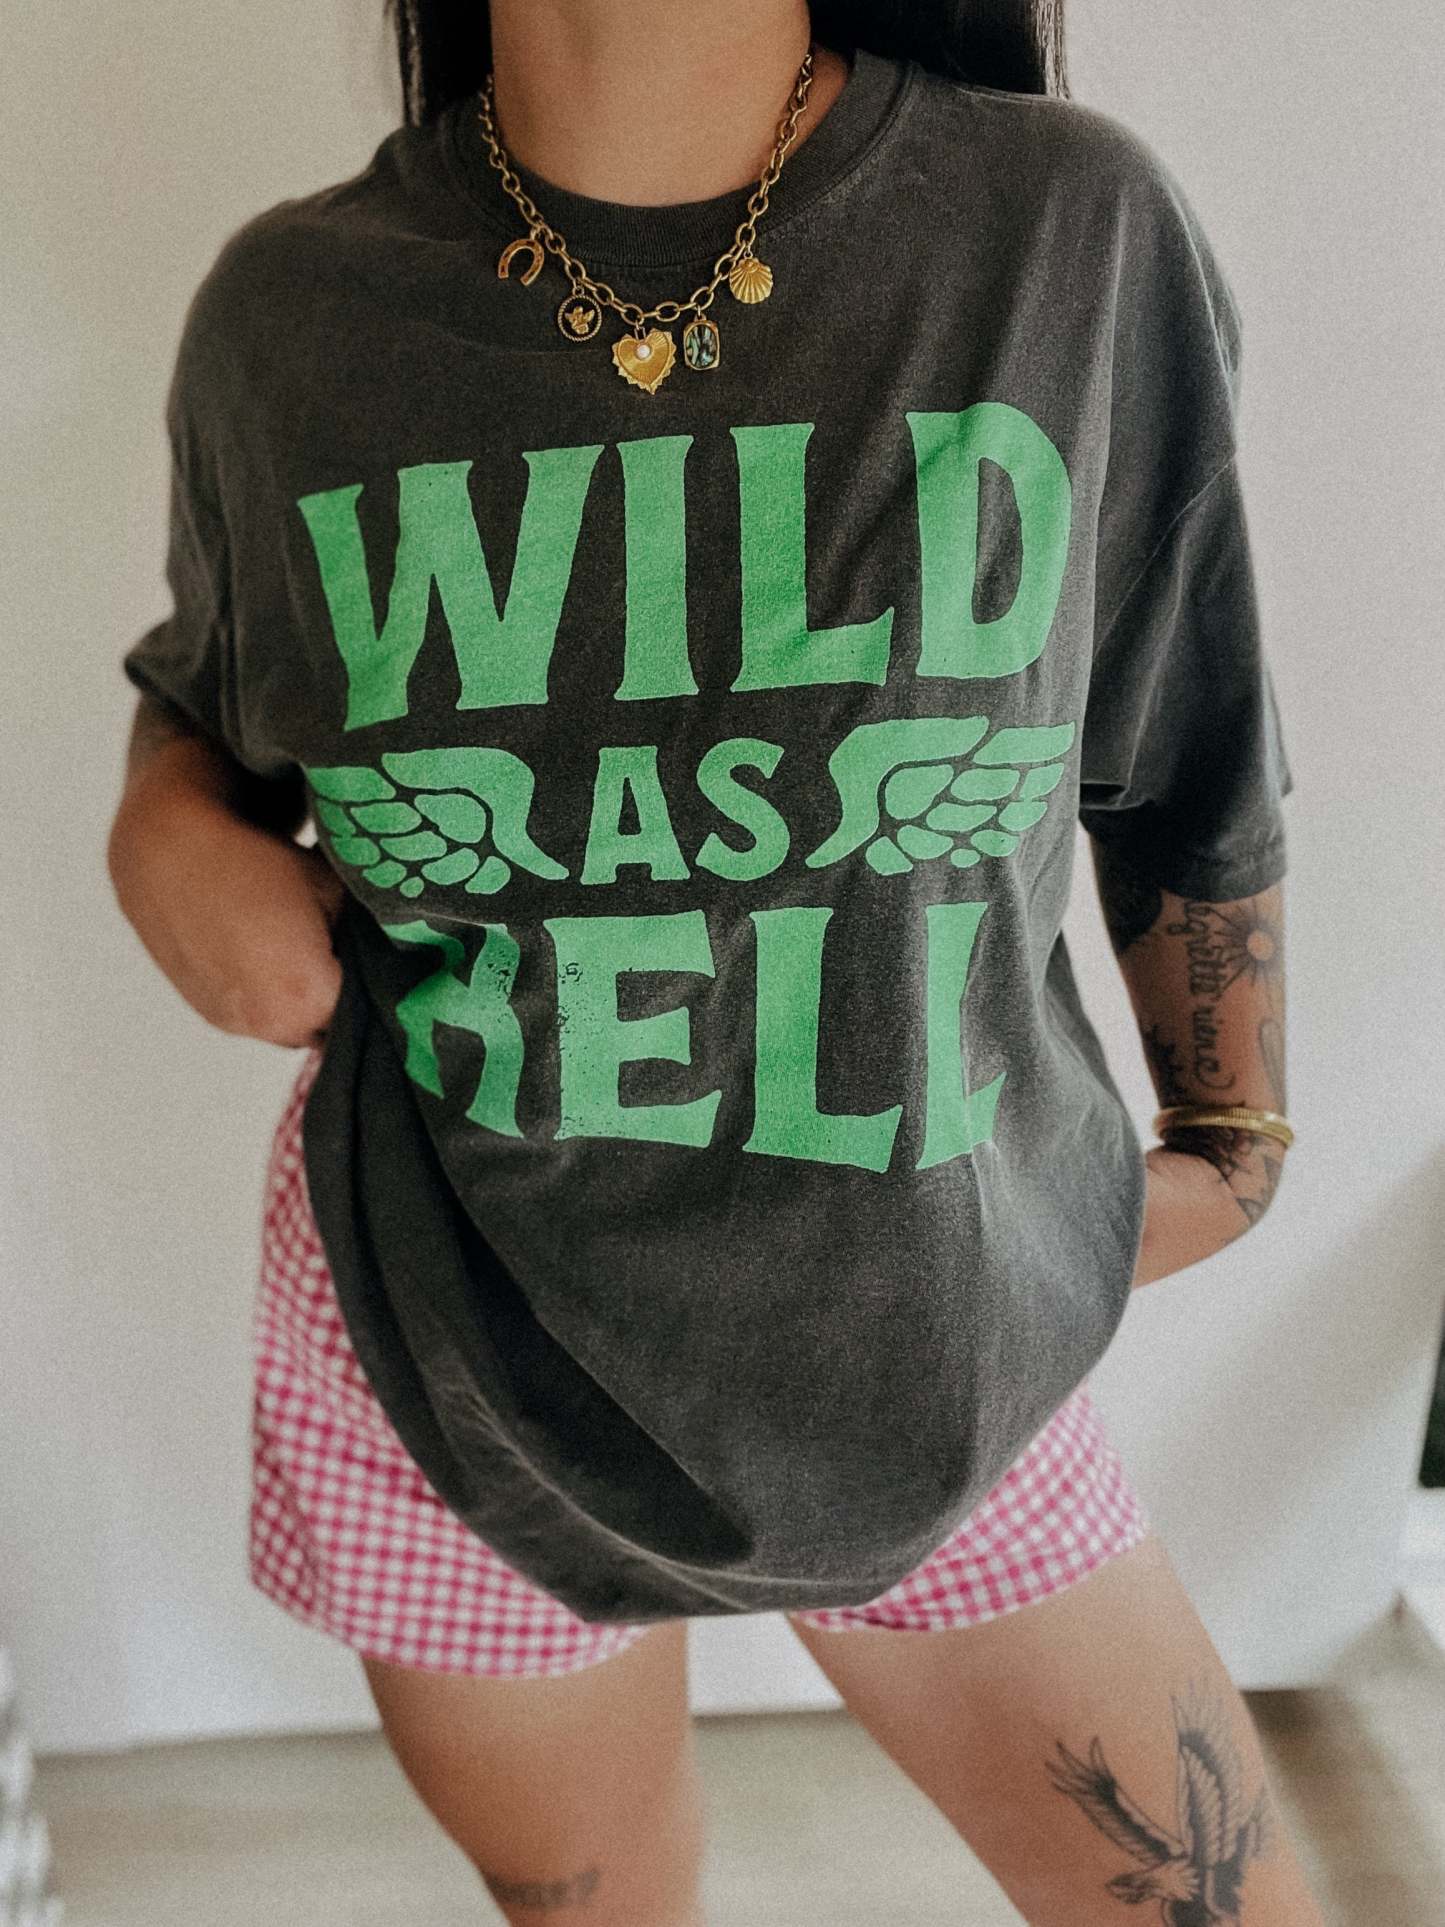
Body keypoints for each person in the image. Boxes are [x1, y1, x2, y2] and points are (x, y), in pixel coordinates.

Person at [105, 2, 1326, 1921]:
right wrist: (160, 816)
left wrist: (1232, 1136)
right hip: (448, 1333)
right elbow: (210, 694)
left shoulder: (1053, 231)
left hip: (937, 1330)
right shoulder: (291, 314)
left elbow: (1185, 741)